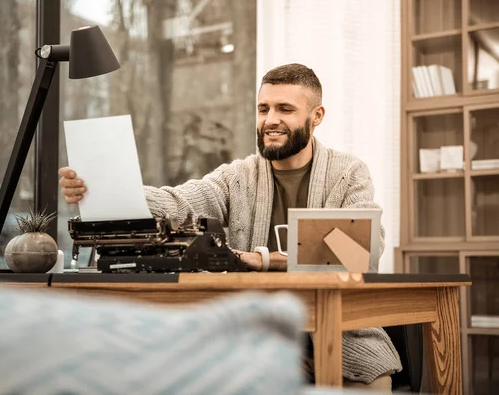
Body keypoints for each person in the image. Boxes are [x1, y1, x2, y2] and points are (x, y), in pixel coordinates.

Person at [59, 63, 402, 391]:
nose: (270, 120)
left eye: (285, 109)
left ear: (316, 116)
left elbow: (360, 252)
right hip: (255, 338)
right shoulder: (237, 175)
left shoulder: (349, 172)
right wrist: (107, 188)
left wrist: (262, 259)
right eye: (263, 108)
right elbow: (181, 203)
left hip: (345, 342)